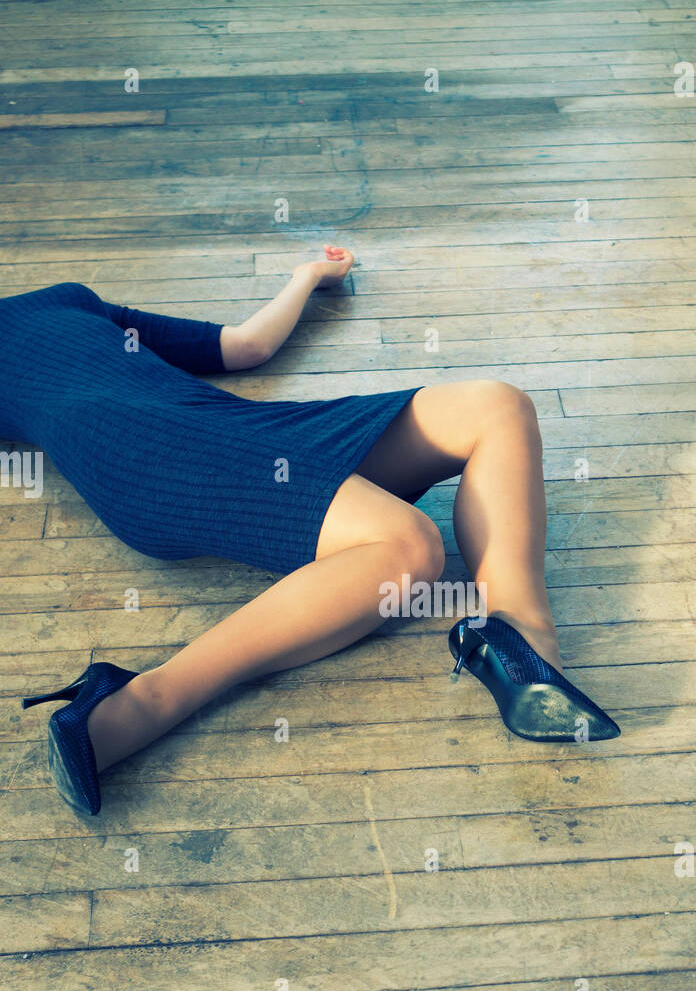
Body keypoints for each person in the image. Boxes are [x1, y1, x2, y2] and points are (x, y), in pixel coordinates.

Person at [8, 246, 619, 815]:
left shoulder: (66, 295)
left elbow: (242, 346)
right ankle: (134, 705)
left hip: (237, 426)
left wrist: (308, 276)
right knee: (408, 547)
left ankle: (521, 644)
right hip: (137, 445)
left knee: (498, 406)